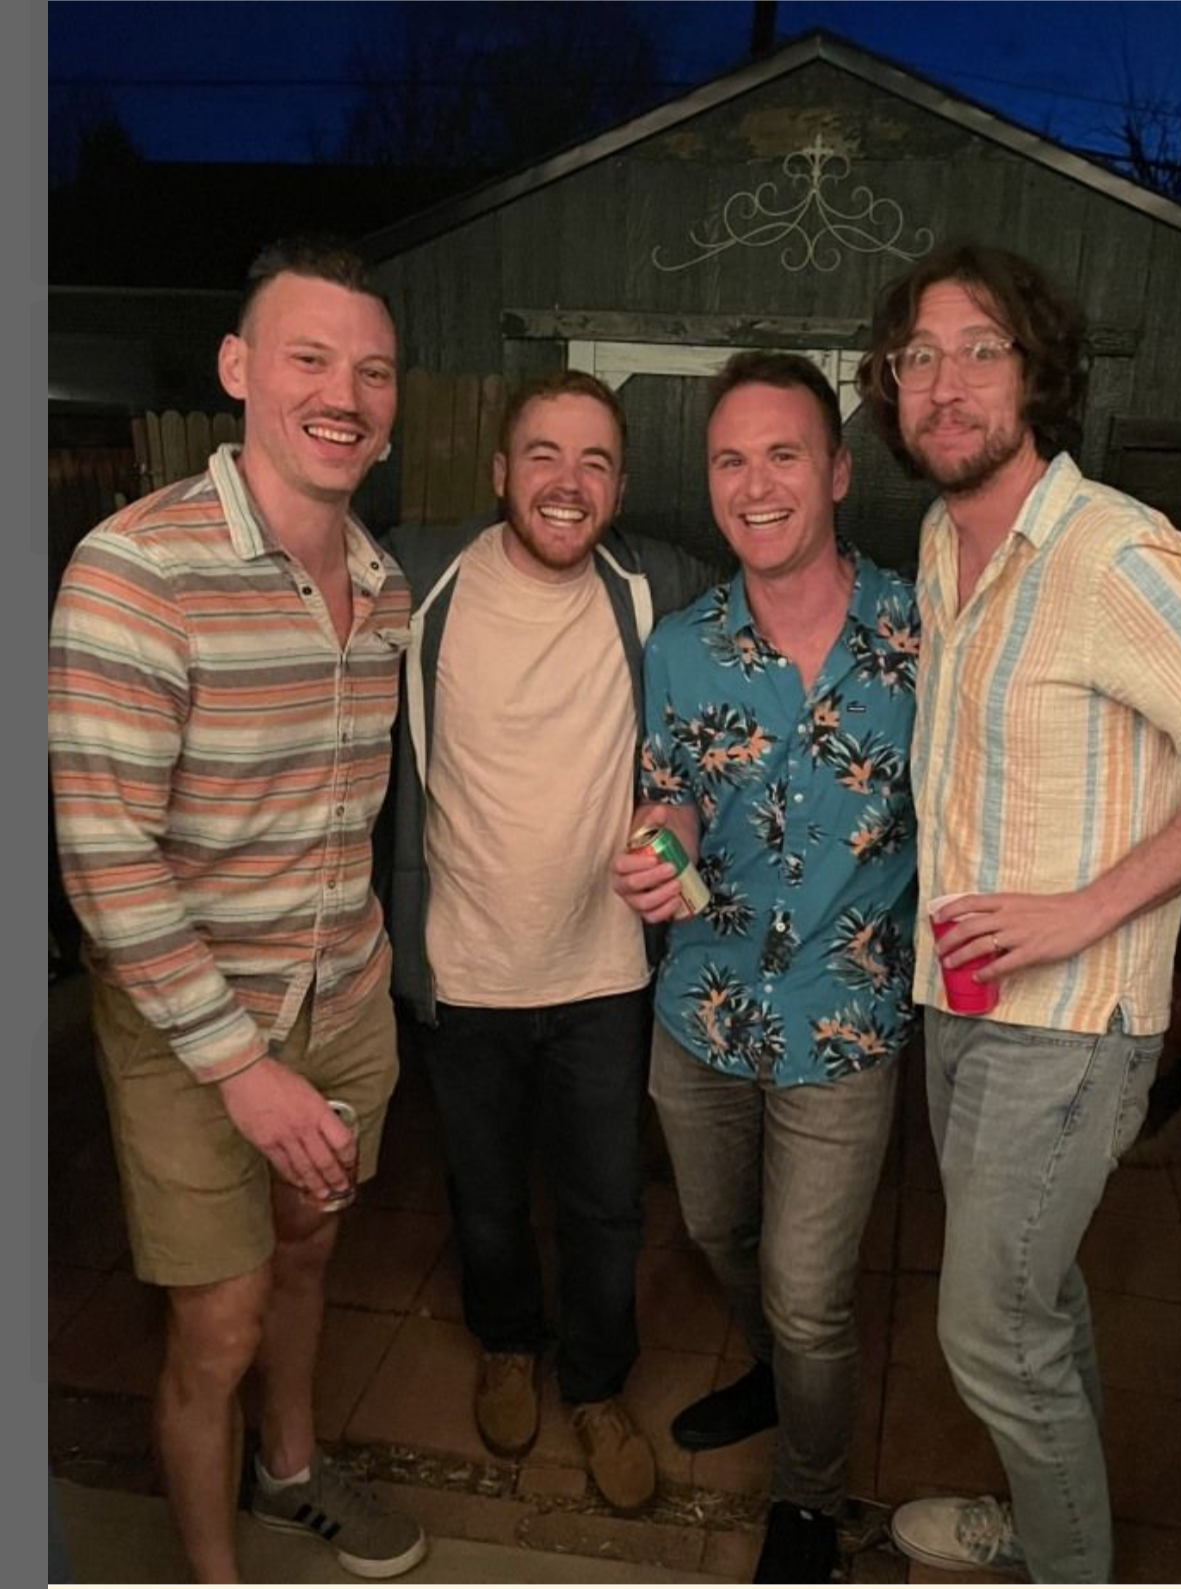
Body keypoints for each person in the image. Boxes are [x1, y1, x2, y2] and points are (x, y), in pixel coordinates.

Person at [855, 243, 1181, 1584]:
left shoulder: (1116, 551)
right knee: (1033, 1307)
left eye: (980, 349)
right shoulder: (946, 547)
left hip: (1069, 1029)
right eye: (918, 355)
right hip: (957, 1010)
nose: (944, 383)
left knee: (989, 1336)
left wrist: (1089, 909)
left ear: (1038, 373)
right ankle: (1050, 1524)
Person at [48, 237, 426, 1584]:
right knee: (218, 1319)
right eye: (311, 358)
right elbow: (105, 856)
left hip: (342, 996)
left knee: (309, 1254)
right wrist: (243, 1068)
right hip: (190, 1029)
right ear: (238, 371)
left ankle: (293, 1471)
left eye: (372, 369)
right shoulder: (136, 569)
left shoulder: (381, 585)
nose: (345, 392)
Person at [611, 351, 920, 1583]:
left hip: (845, 1025)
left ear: (838, 469)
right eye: (731, 458)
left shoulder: (921, 628)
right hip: (701, 1014)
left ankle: (808, 1494)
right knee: (718, 1232)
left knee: (810, 1293)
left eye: (784, 452)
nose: (756, 482)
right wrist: (660, 838)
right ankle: (774, 1372)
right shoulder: (683, 648)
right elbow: (671, 791)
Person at [380, 371, 711, 1512]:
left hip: (604, 971)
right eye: (543, 454)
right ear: (499, 472)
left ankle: (597, 1382)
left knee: (606, 1199)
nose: (567, 483)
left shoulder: (657, 587)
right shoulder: (420, 578)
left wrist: (687, 817)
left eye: (596, 461)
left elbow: (772, 629)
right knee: (482, 1194)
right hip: (465, 966)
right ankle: (509, 1341)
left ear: (620, 485)